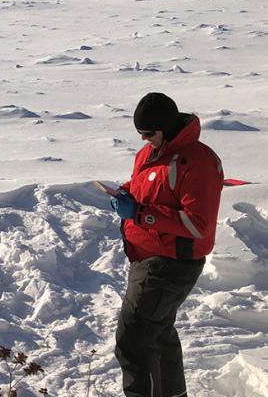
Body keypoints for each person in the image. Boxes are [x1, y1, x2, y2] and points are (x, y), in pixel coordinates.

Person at [110, 92, 223, 397]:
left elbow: (197, 224)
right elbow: (144, 186)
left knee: (133, 340)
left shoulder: (198, 162)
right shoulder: (149, 154)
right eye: (141, 135)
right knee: (158, 334)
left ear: (167, 127)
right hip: (144, 256)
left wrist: (140, 214)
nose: (145, 140)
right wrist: (124, 193)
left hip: (172, 264)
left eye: (149, 133)